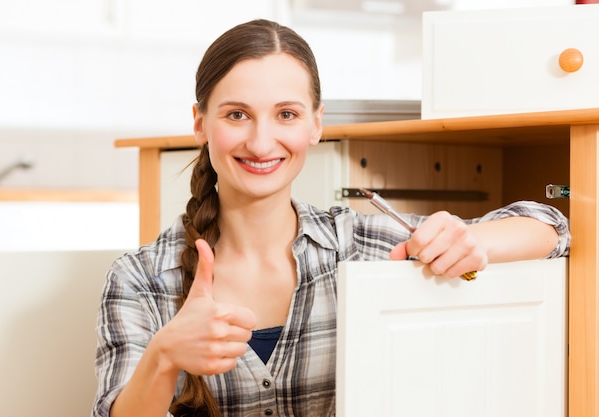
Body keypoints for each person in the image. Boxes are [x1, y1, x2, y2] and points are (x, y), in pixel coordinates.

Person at [91, 18, 570, 417]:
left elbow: (552, 227)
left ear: (316, 124)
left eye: (286, 114)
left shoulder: (362, 245)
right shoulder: (140, 279)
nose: (260, 143)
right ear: (200, 122)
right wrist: (164, 357)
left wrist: (470, 240)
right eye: (237, 115)